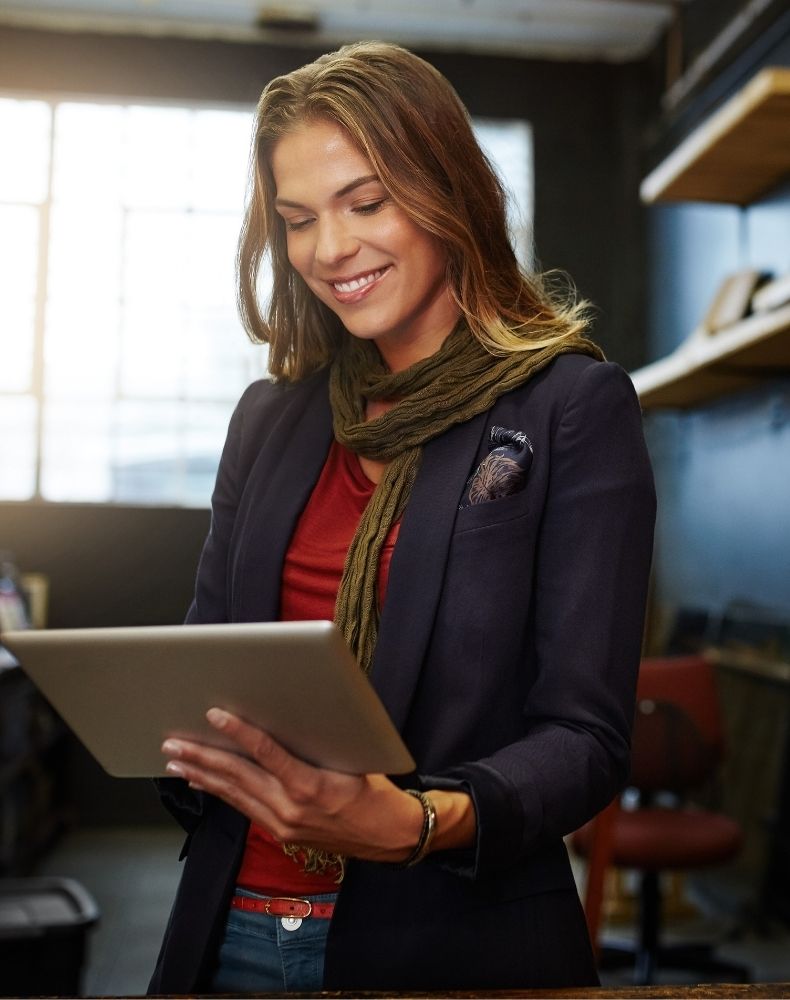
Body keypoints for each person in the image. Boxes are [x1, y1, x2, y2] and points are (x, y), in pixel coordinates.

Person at [149, 40, 655, 994]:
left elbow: (585, 740)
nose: (329, 250)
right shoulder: (271, 421)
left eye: (367, 203)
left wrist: (414, 821)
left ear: (451, 192)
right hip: (230, 928)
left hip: (449, 940)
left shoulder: (570, 408)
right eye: (298, 220)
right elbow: (204, 657)